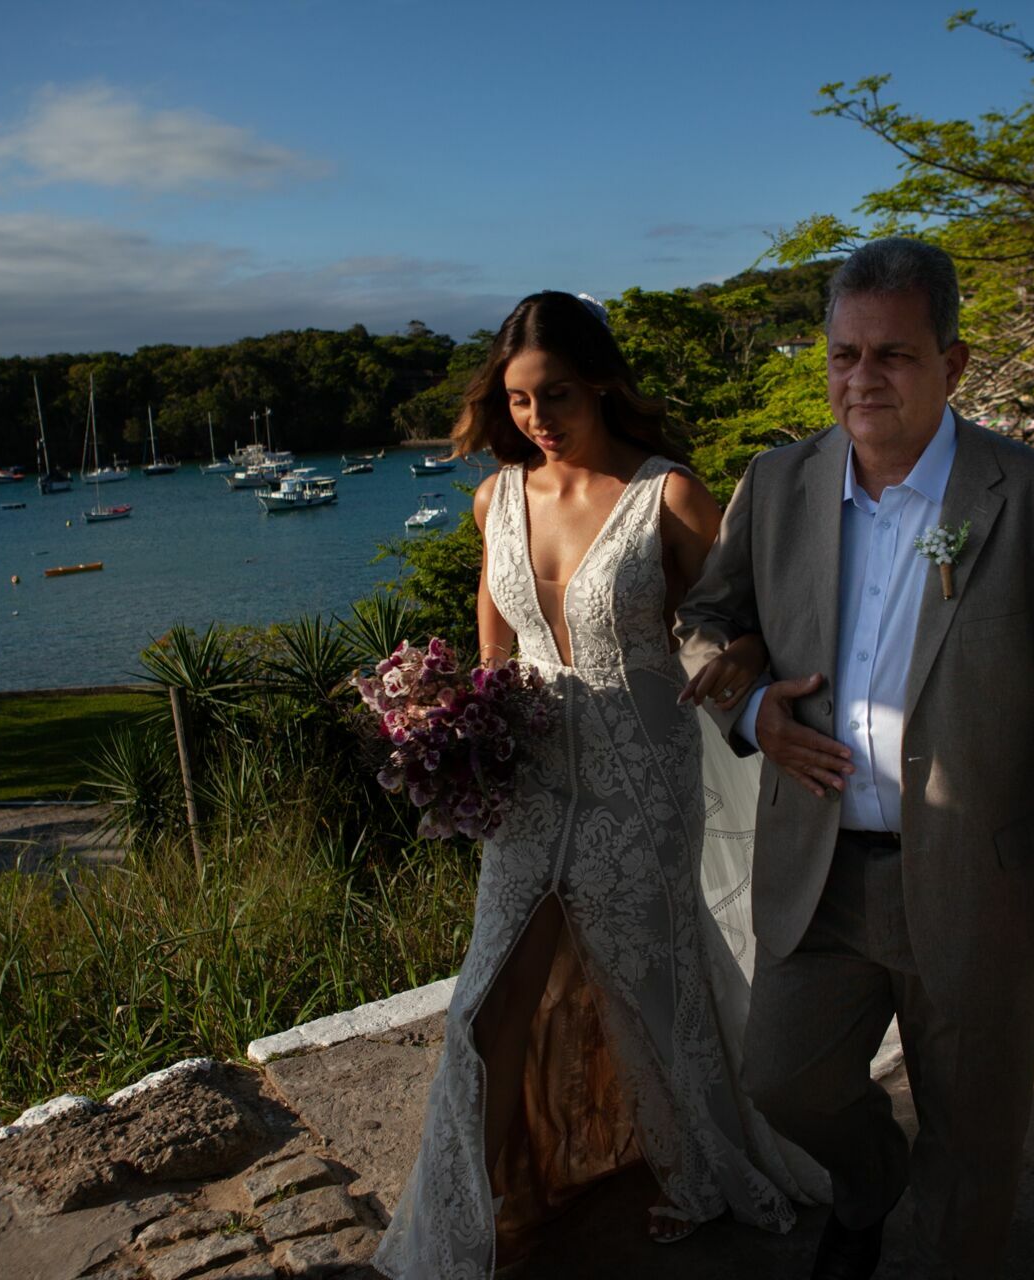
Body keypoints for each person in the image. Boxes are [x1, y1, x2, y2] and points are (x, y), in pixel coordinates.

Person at [676, 237, 1034, 1280]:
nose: (862, 379)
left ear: (955, 362)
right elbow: (706, 618)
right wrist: (754, 708)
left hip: (980, 878)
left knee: (975, 1141)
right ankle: (868, 1177)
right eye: (844, 354)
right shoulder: (780, 481)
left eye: (892, 354)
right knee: (784, 1080)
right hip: (822, 870)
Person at [373, 291, 819, 1280]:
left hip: (641, 778)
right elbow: (494, 654)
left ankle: (703, 1170)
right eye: (520, 399)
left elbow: (748, 618)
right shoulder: (495, 497)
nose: (538, 418)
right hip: (533, 780)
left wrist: (740, 658)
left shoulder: (667, 493)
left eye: (557, 395)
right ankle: (486, 1197)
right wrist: (453, 736)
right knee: (489, 998)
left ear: (604, 383)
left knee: (652, 985)